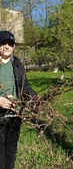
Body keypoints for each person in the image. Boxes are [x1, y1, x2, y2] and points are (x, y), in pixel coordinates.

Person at [0, 30, 39, 169]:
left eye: (10, 44)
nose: (7, 46)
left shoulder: (17, 64)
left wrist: (34, 97)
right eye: (3, 43)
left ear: (14, 47)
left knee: (10, 152)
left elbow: (24, 86)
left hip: (14, 115)